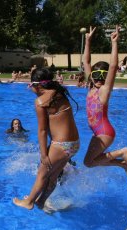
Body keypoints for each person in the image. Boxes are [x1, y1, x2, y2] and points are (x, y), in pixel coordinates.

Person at [13, 68, 80, 210]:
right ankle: (41, 201)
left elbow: (42, 131)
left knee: (42, 173)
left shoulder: (41, 101)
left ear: (36, 84)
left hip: (61, 144)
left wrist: (44, 155)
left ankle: (29, 201)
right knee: (53, 175)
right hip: (74, 144)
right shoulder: (60, 93)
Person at [83, 25, 127, 180]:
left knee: (89, 163)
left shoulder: (104, 90)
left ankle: (122, 153)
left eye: (102, 77)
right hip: (98, 132)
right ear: (91, 76)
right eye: (95, 75)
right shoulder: (90, 86)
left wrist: (114, 43)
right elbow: (86, 61)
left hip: (104, 131)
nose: (98, 79)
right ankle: (122, 164)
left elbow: (112, 66)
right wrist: (88, 41)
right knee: (89, 162)